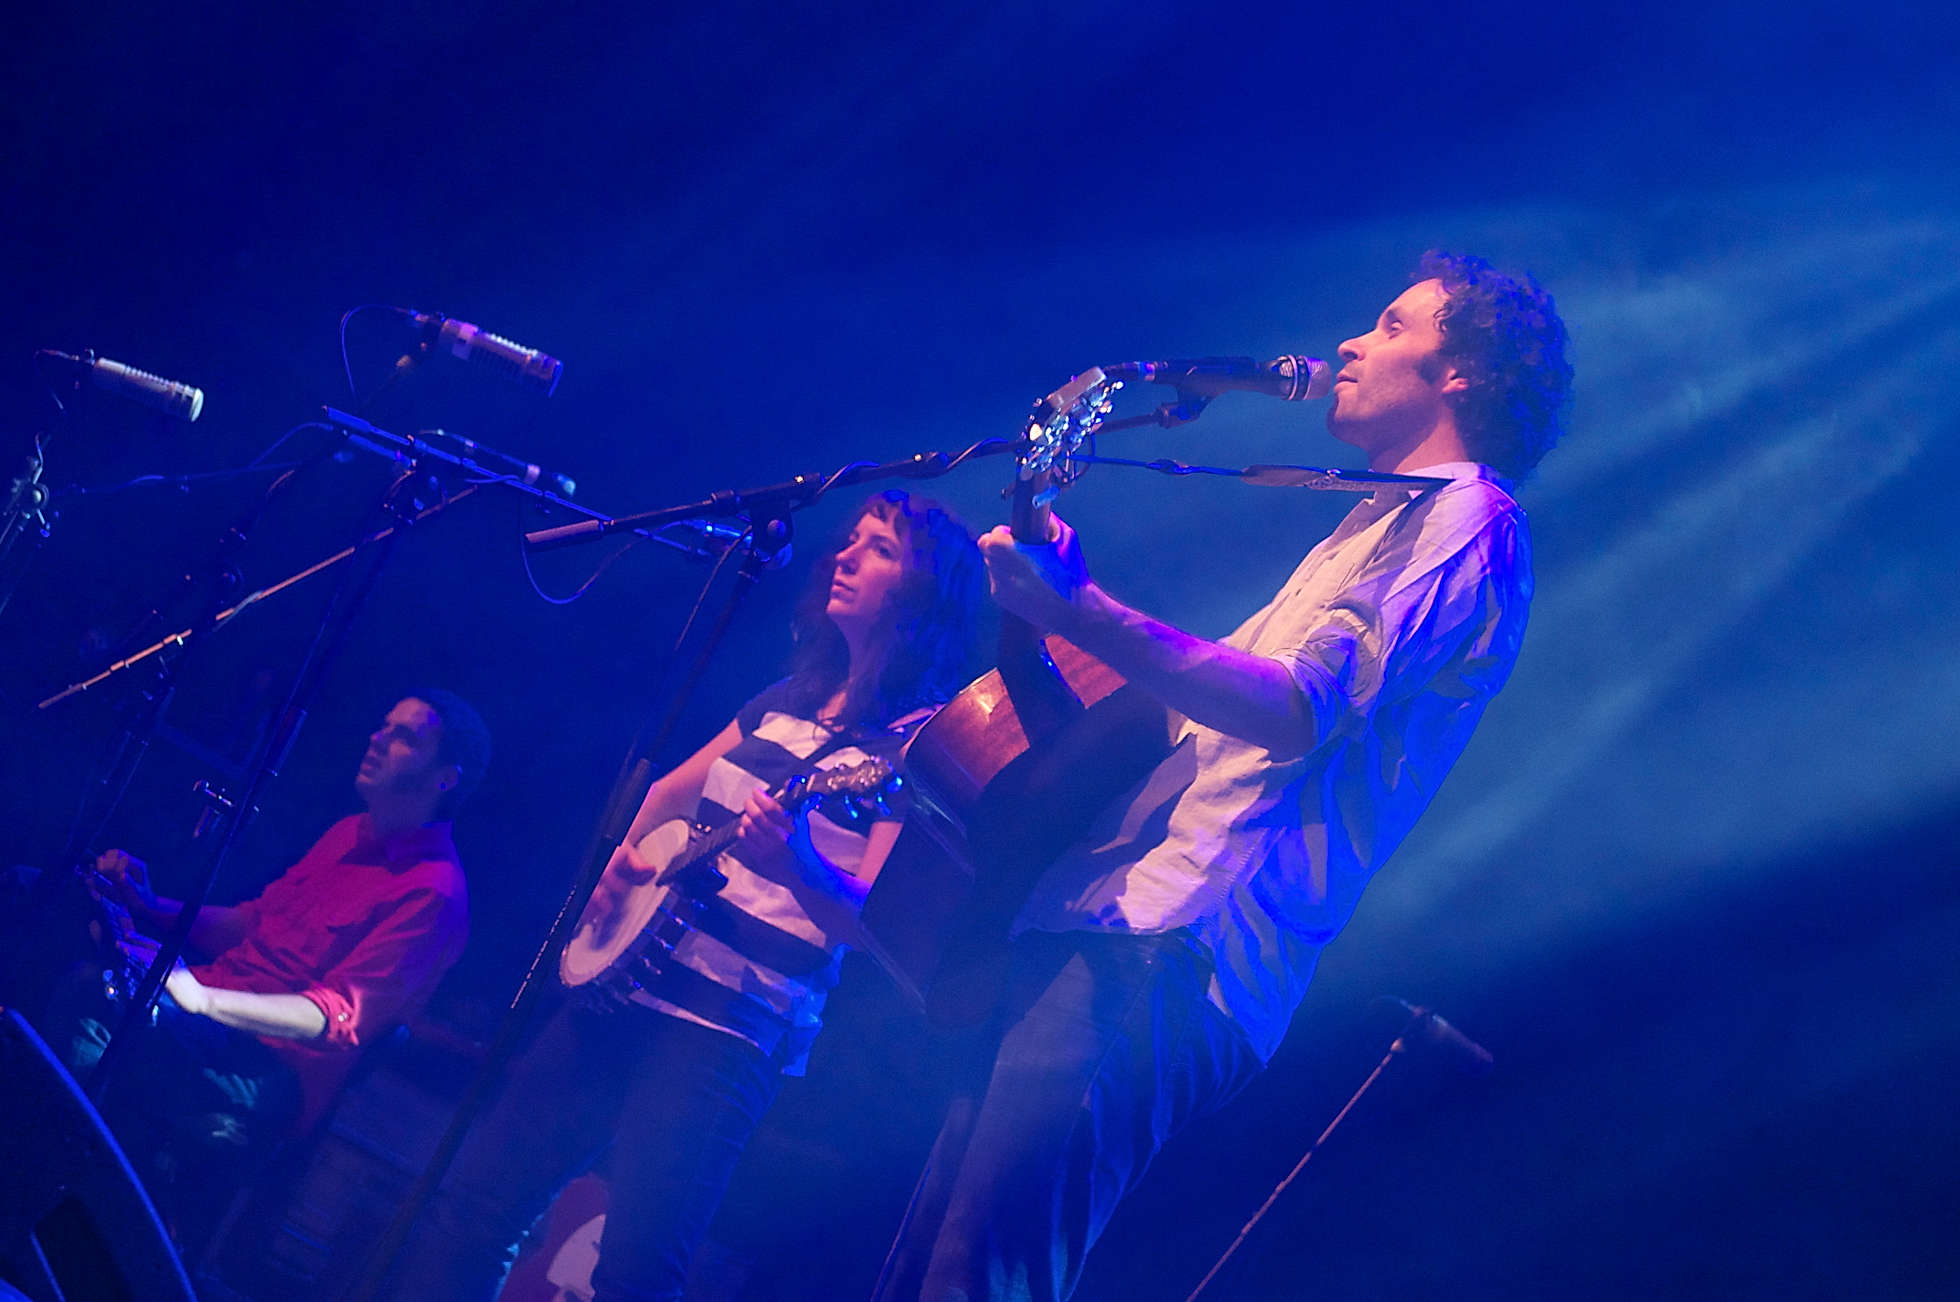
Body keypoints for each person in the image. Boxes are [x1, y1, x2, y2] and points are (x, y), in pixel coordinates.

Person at [871, 251, 1574, 1301]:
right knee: (929, 1269)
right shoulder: (1368, 526)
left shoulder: (1470, 519)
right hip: (1111, 922)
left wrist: (1079, 607)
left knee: (975, 1278)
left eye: (1392, 326)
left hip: (1174, 946)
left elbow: (1293, 707)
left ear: (1461, 373)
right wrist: (1044, 604)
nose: (1351, 343)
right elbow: (1170, 730)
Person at [383, 489, 984, 1302]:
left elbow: (876, 921)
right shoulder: (787, 698)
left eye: (880, 548)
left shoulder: (914, 744)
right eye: (850, 538)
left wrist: (798, 864)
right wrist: (619, 868)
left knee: (636, 1272)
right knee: (473, 1211)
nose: (844, 555)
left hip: (725, 1033)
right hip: (626, 984)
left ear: (926, 595)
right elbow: (668, 792)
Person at [66, 689, 489, 1246]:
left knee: (92, 1001)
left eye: (405, 736)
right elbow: (254, 922)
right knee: (54, 907)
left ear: (446, 779)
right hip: (208, 1021)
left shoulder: (433, 894)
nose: (377, 739)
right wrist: (147, 906)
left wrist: (201, 999)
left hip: (268, 1070)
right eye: (383, 725)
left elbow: (338, 1017)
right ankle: (70, 1195)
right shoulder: (348, 832)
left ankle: (60, 1197)